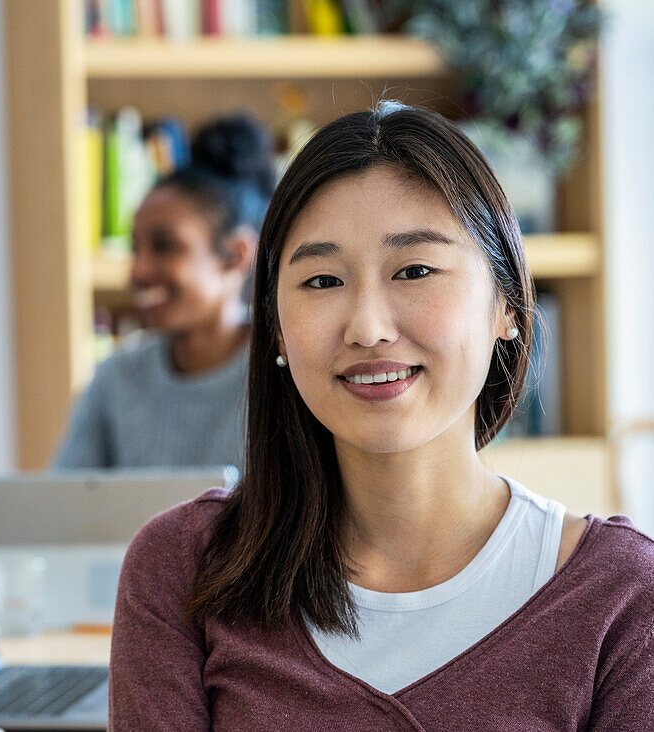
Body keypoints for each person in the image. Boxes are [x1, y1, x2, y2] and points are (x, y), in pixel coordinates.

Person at [109, 104, 654, 729]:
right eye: (321, 281)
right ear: (278, 328)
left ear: (507, 304)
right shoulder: (182, 569)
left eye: (415, 270)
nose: (367, 327)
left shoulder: (622, 598)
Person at [53, 114, 274, 470]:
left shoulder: (285, 377)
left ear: (235, 256)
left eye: (165, 246)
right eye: (135, 248)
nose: (138, 270)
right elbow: (60, 508)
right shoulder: (116, 380)